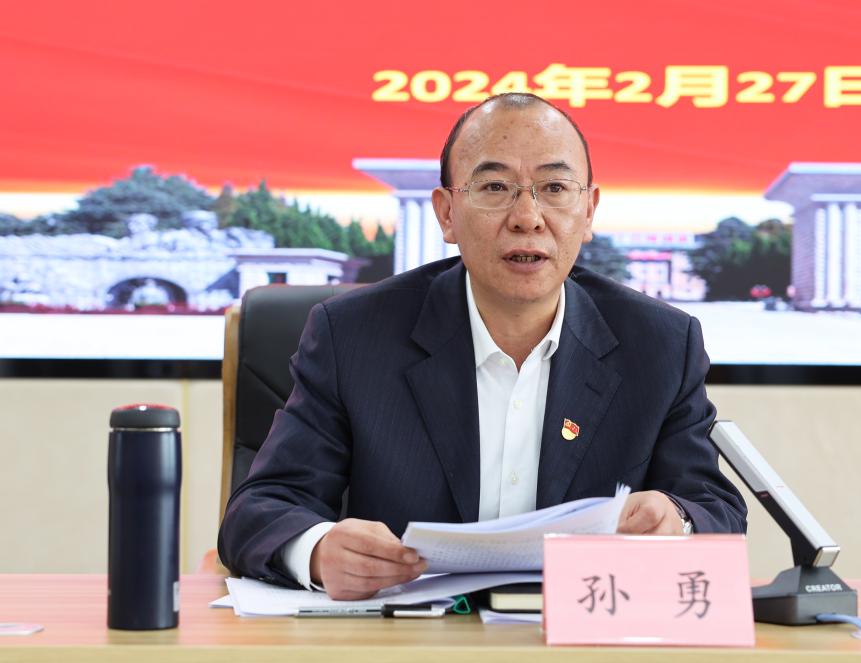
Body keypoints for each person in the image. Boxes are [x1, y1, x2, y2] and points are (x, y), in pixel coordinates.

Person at [218, 93, 746, 600]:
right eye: (495, 187)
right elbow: (260, 509)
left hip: (581, 636)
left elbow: (715, 509)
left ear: (588, 211)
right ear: (447, 213)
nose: (527, 217)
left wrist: (677, 521)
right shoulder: (353, 336)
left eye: (555, 188)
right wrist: (317, 550)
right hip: (409, 640)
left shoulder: (659, 344)